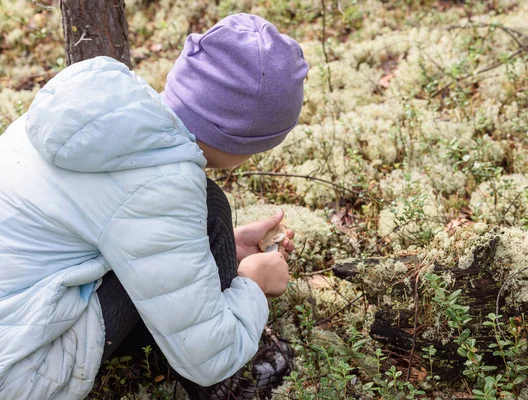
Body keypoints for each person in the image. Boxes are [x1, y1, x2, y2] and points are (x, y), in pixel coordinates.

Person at [0, 13, 309, 400]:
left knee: (208, 213)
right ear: (248, 142)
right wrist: (253, 284)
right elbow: (209, 355)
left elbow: (113, 220)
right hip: (20, 371)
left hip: (14, 316)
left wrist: (221, 244)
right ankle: (230, 388)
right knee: (210, 204)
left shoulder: (96, 119)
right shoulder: (162, 181)